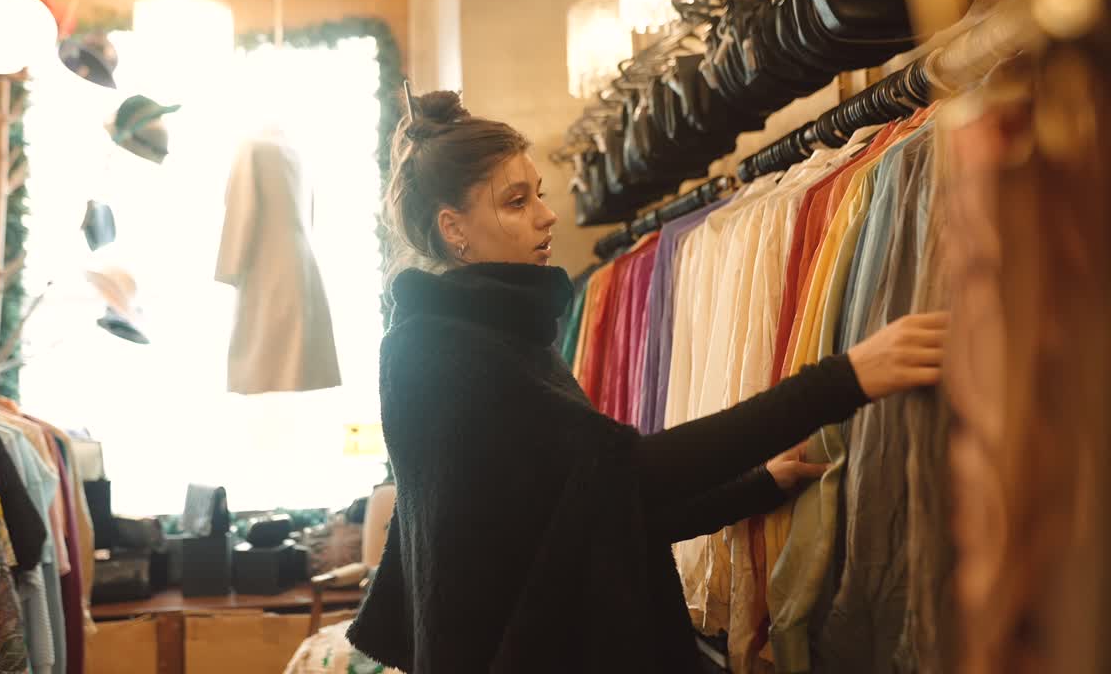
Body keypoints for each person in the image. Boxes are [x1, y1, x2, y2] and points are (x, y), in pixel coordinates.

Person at [346, 90, 947, 673]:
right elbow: (629, 472)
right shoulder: (443, 352)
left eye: (540, 194)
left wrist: (758, 485)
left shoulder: (491, 337)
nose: (547, 214)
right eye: (516, 201)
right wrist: (843, 380)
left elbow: (594, 505)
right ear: (455, 228)